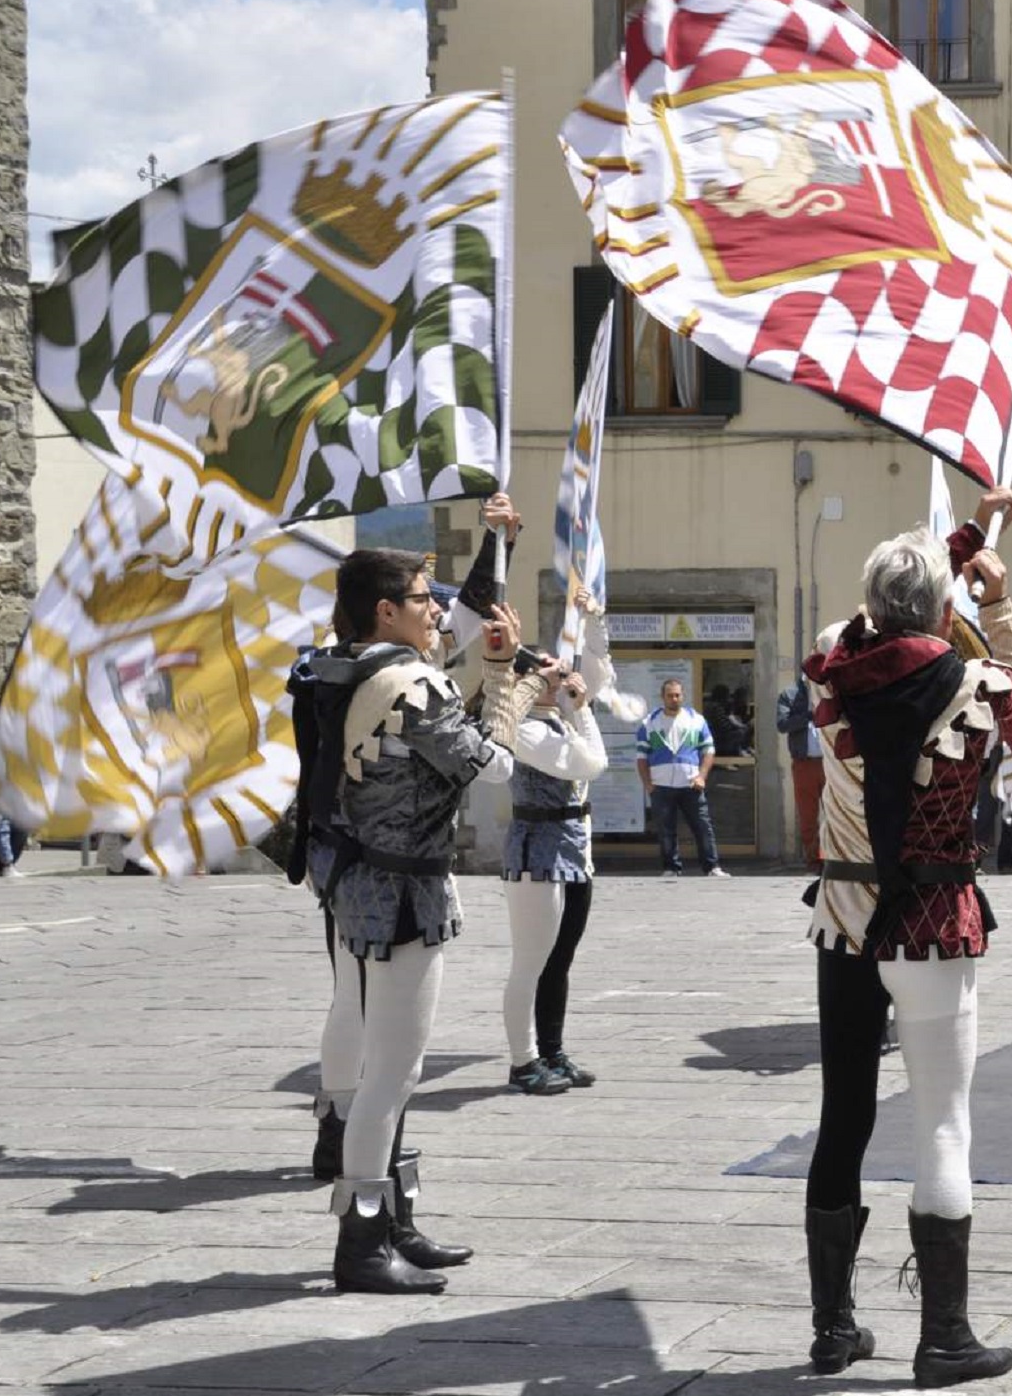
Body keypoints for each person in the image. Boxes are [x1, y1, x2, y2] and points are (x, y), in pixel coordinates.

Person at [801, 488, 1012, 1389]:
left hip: (846, 917)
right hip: (935, 921)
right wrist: (999, 599)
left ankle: (833, 1329)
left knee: (843, 1118)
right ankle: (943, 1337)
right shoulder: (978, 682)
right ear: (945, 606)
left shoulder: (832, 664)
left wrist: (967, 540)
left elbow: (888, 607)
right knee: (942, 1120)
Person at [292, 545, 546, 1295]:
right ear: (386, 611)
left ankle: (393, 1217)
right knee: (395, 1071)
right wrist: (507, 680)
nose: (436, 609)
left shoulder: (340, 663)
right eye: (422, 597)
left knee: (378, 1056)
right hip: (402, 889)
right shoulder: (409, 681)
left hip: (354, 879)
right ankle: (363, 1241)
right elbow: (488, 764)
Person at [499, 597, 614, 1097]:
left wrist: (592, 623)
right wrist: (582, 712)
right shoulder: (525, 730)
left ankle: (551, 1049)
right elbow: (589, 764)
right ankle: (523, 1060)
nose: (560, 671)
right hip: (537, 852)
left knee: (560, 957)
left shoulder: (556, 721)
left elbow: (599, 672)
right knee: (530, 961)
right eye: (549, 667)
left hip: (571, 850)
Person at [637, 678, 725, 878]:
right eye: (670, 695)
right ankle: (671, 868)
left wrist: (702, 776)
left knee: (702, 827)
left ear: (683, 696)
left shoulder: (696, 720)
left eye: (677, 695)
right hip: (661, 785)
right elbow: (641, 758)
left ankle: (712, 867)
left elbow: (709, 751)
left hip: (691, 784)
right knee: (666, 829)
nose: (674, 699)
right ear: (663, 697)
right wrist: (648, 785)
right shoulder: (649, 723)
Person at [776, 669, 826, 876]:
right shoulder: (790, 694)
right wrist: (807, 715)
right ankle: (814, 862)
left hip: (830, 763)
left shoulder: (832, 690)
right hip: (804, 763)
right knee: (808, 816)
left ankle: (834, 860)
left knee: (837, 814)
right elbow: (782, 724)